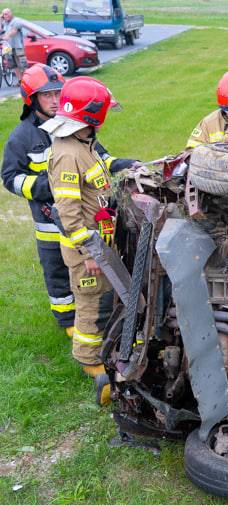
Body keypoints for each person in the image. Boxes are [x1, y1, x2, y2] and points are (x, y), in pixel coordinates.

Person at [2, 64, 136, 338]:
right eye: (46, 95)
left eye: (57, 93)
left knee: (85, 276)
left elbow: (101, 160)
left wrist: (127, 165)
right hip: (50, 223)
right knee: (58, 274)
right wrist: (49, 186)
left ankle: (91, 317)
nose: (54, 100)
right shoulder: (22, 136)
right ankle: (67, 322)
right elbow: (10, 178)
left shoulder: (76, 126)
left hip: (79, 222)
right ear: (31, 99)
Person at [41, 77, 123, 393]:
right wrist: (90, 253)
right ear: (92, 116)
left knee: (106, 298)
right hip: (85, 250)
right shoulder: (67, 153)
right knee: (90, 302)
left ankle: (107, 343)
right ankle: (89, 359)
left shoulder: (82, 144)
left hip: (99, 243)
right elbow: (68, 213)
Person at [1, 8, 28, 82]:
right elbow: (0, 30)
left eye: (6, 14)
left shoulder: (17, 21)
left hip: (17, 47)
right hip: (7, 48)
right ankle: (20, 81)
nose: (4, 16)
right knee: (13, 65)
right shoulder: (5, 22)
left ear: (10, 14)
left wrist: (6, 36)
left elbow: (14, 31)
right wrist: (0, 20)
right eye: (3, 14)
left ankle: (26, 81)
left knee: (22, 65)